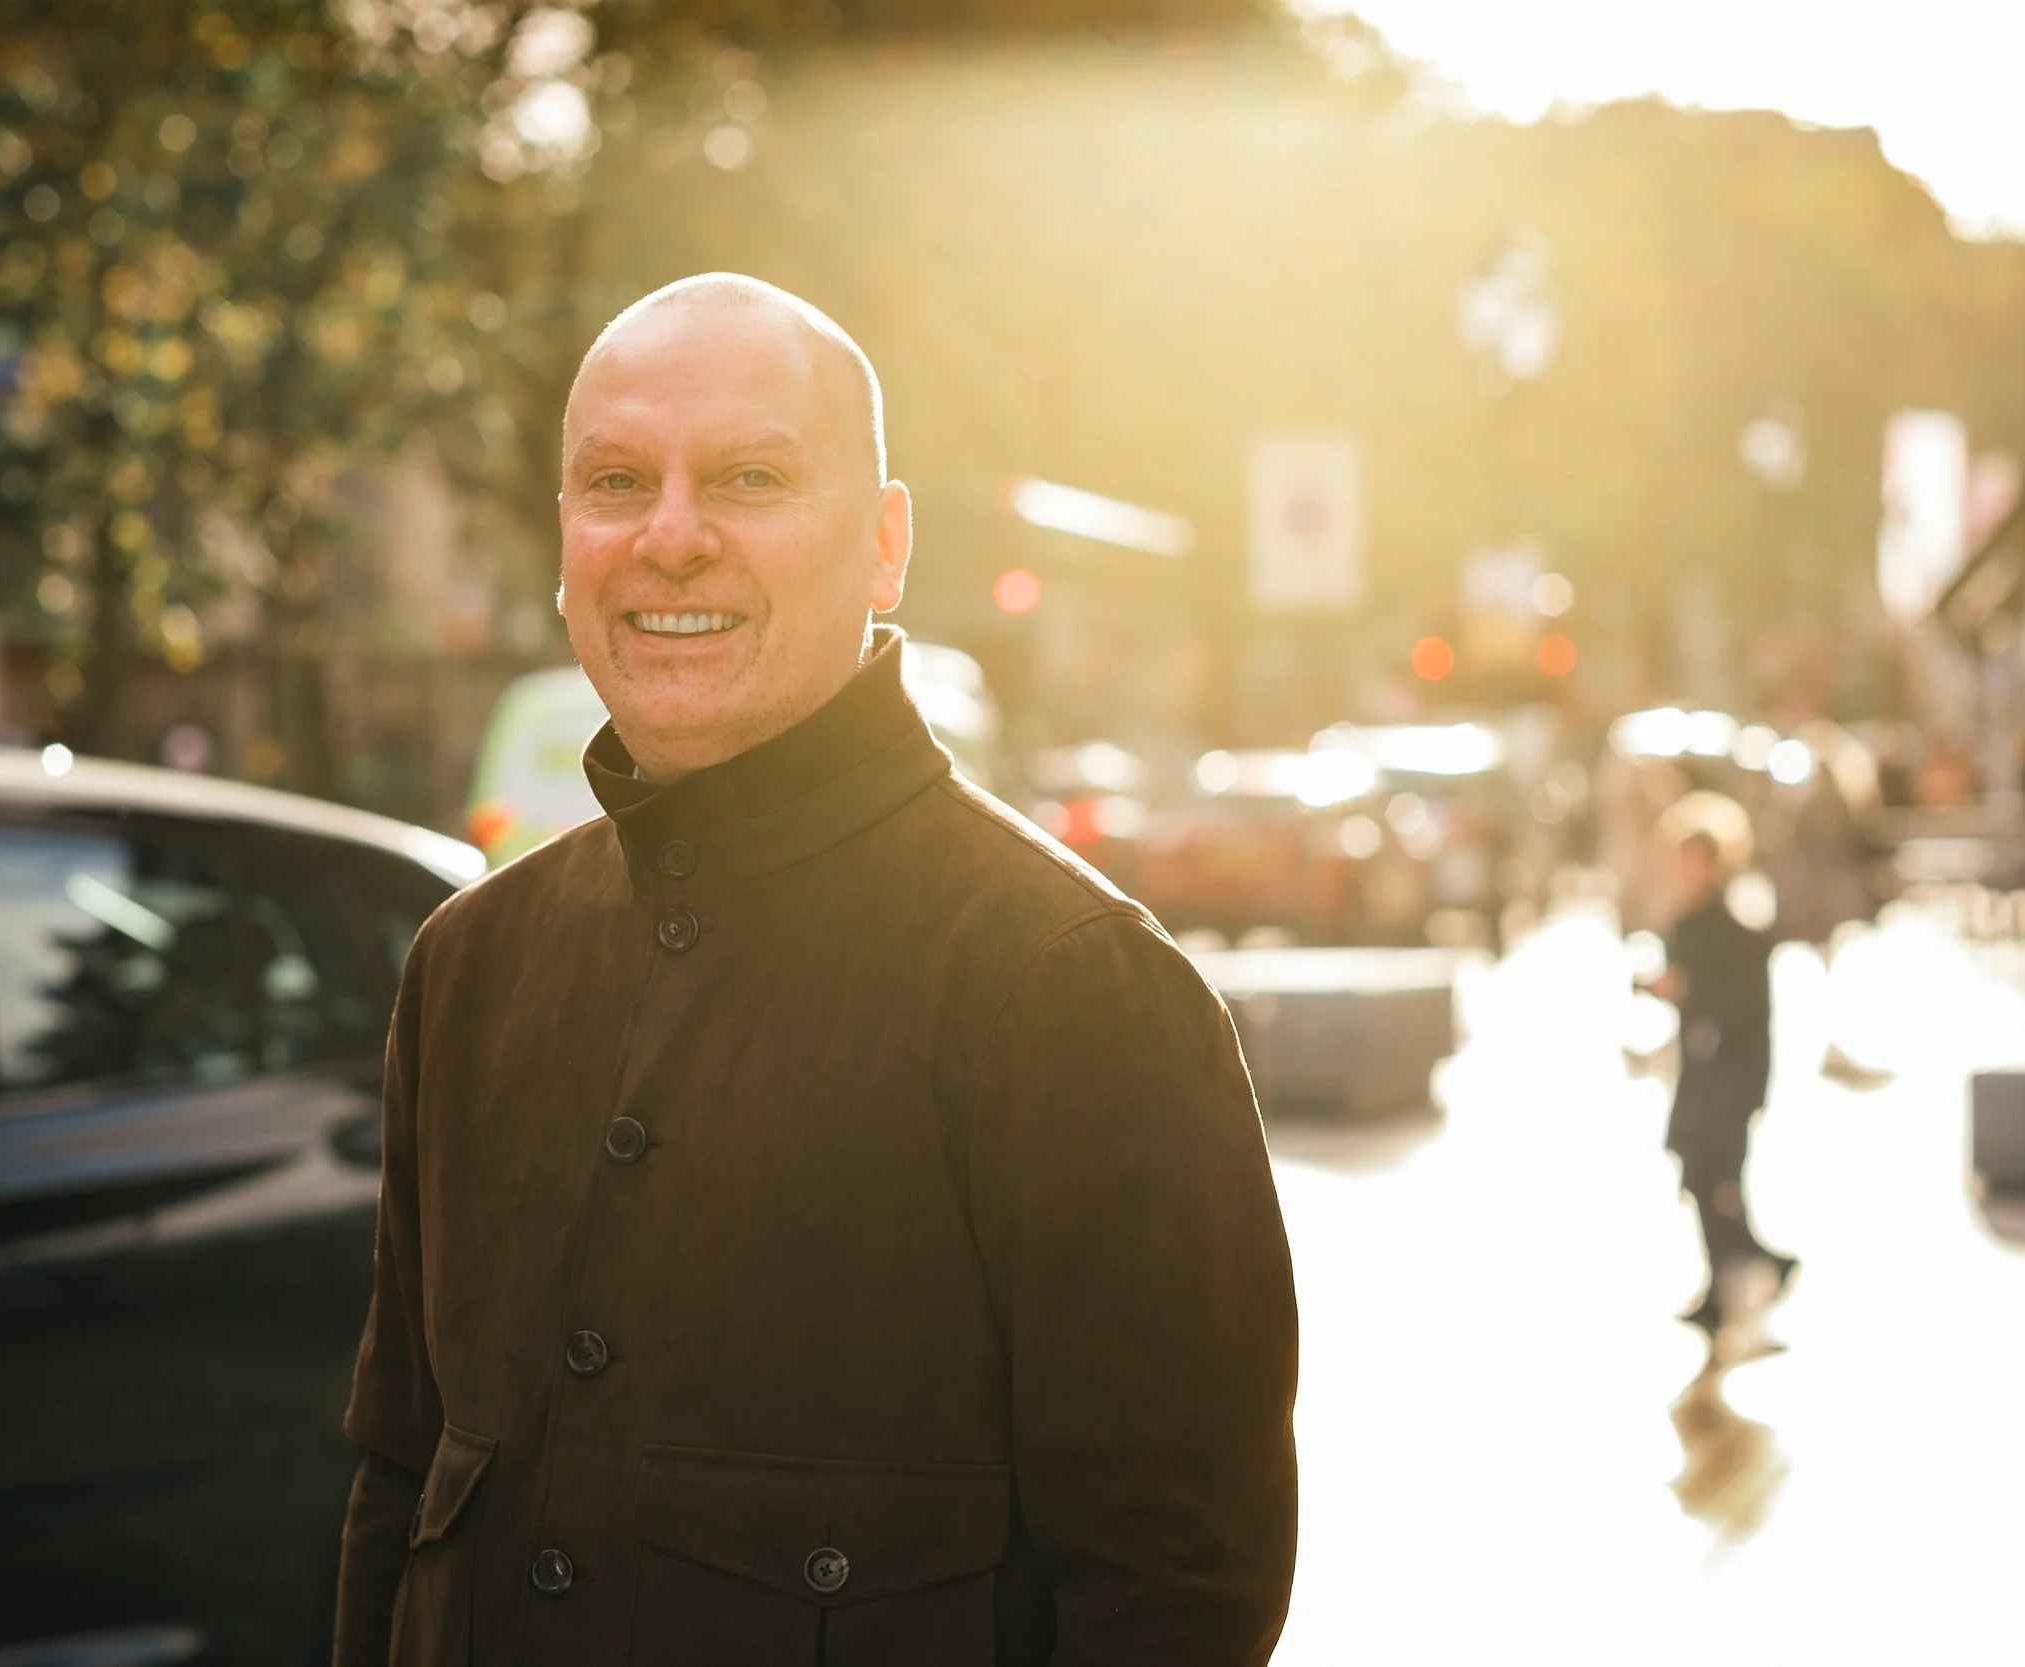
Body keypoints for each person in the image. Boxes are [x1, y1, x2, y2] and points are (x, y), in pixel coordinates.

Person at [332, 274, 1300, 1665]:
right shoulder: (471, 965)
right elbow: (394, 1488)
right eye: (616, 481)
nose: (671, 537)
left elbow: (1175, 1605)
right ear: (565, 540)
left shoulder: (1076, 995)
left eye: (748, 476)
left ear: (886, 543)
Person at [1655, 829, 1793, 1335]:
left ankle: (1737, 1275)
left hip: (1727, 1073)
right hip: (1704, 1070)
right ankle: (1757, 1263)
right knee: (1703, 1176)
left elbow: (1738, 1001)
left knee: (1713, 1178)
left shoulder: (1730, 927)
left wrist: (1687, 990)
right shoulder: (1691, 923)